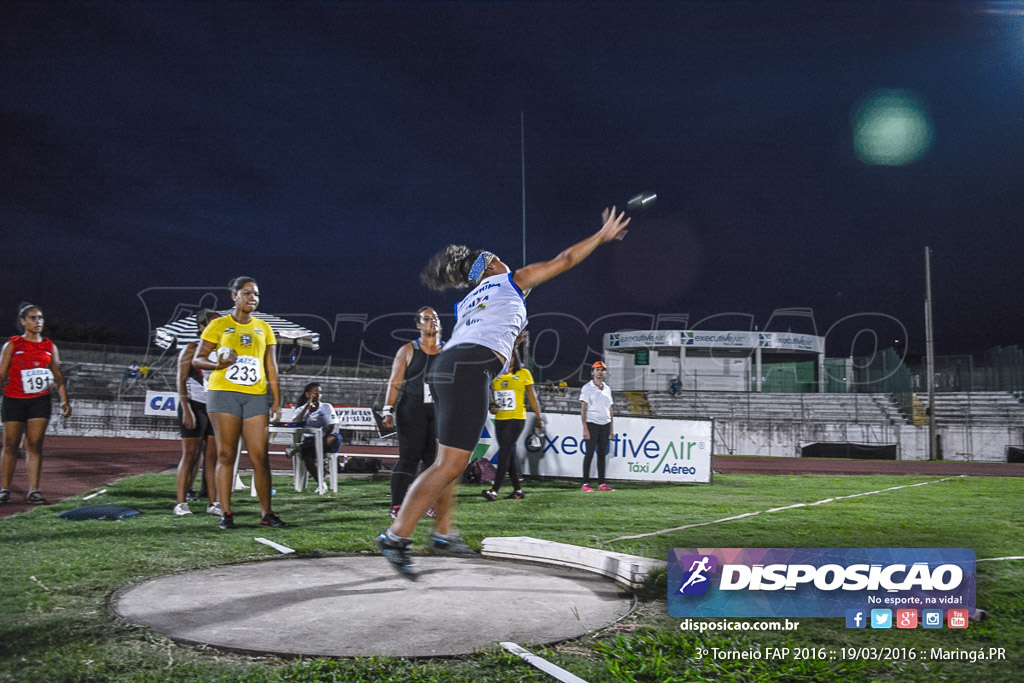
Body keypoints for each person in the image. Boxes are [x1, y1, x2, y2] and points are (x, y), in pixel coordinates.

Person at [377, 206, 630, 579]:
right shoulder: (512, 280)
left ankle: (444, 533)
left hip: (449, 366)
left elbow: (496, 336)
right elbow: (564, 259)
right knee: (447, 464)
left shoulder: (467, 302)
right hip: (470, 368)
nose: (504, 260)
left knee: (452, 461)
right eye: (498, 258)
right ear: (492, 267)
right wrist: (601, 236)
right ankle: (396, 536)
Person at [192, 277, 286, 530]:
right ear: (234, 296)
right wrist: (217, 365)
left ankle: (267, 513)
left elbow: (271, 367)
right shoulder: (218, 325)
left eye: (255, 294)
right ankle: (226, 513)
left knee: (260, 456)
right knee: (226, 453)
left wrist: (276, 400)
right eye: (246, 293)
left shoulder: (264, 328)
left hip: (255, 395)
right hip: (223, 394)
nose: (252, 298)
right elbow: (197, 360)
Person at [0, 303, 71, 505]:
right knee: (11, 444)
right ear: (23, 321)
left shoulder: (49, 347)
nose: (38, 321)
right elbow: (1, 373)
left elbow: (58, 375)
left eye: (40, 318)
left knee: (34, 444)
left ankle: (34, 490)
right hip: (14, 399)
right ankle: (4, 489)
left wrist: (65, 400)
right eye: (32, 318)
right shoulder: (13, 345)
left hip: (39, 401)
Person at [382, 307, 443, 519]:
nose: (432, 322)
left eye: (434, 318)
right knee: (408, 458)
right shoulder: (407, 350)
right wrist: (387, 409)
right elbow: (395, 381)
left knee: (433, 461)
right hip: (411, 408)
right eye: (427, 319)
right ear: (418, 325)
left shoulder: (449, 349)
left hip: (438, 410)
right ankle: (397, 505)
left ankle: (427, 503)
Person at [173, 309, 220, 516]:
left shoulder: (223, 350)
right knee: (190, 455)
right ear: (201, 327)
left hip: (215, 408)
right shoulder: (191, 348)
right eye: (212, 323)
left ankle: (213, 503)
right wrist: (187, 409)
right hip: (194, 404)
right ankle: (181, 503)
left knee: (213, 458)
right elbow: (181, 380)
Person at [483, 352, 542, 501]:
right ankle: (518, 490)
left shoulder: (523, 373)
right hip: (500, 418)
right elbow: (492, 399)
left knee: (504, 452)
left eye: (510, 357)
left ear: (515, 358)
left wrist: (539, 417)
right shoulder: (497, 375)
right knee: (508, 454)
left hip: (516, 418)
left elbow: (532, 395)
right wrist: (492, 407)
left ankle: (494, 490)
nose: (507, 360)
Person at [290, 382, 340, 484]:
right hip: (310, 441)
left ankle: (299, 447)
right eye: (315, 393)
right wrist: (307, 408)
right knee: (307, 456)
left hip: (326, 440)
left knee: (333, 438)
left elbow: (333, 426)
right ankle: (321, 484)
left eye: (320, 393)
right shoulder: (300, 409)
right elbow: (294, 424)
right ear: (307, 394)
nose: (318, 395)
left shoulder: (326, 407)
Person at [580, 360, 615, 492]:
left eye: (602, 370)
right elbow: (583, 409)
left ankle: (602, 483)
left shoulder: (607, 389)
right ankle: (585, 483)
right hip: (592, 423)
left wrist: (612, 429)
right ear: (593, 372)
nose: (600, 372)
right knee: (589, 453)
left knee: (601, 455)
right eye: (598, 370)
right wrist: (585, 427)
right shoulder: (587, 388)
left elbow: (610, 409)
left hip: (605, 423)